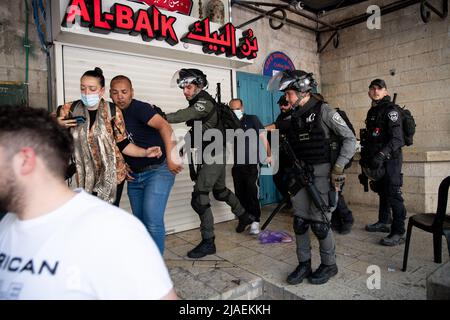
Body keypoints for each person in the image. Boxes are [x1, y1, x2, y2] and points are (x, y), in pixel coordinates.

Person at [0, 106, 177, 300]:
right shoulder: (5, 227)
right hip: (103, 179)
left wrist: (156, 155)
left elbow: (125, 143)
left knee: (151, 219)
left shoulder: (117, 233)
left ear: (25, 160)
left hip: (144, 173)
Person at [268, 70, 356, 285]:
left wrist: (338, 167)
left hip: (323, 175)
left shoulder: (324, 111)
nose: (286, 98)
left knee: (320, 223)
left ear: (302, 91)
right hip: (301, 174)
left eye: (288, 93)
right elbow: (280, 129)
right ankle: (304, 263)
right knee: (299, 221)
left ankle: (329, 265)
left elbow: (350, 139)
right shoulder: (295, 115)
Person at [164, 68, 254, 259]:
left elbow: (183, 115)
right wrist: (184, 147)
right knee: (220, 191)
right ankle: (244, 215)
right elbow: (199, 129)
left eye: (188, 87)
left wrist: (160, 117)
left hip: (214, 154)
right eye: (183, 88)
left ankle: (208, 242)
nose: (185, 91)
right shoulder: (200, 103)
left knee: (200, 196)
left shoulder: (203, 102)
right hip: (214, 152)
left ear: (198, 85)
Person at [56, 67, 161, 206]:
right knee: (89, 213)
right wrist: (55, 126)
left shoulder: (113, 111)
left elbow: (123, 144)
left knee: (107, 215)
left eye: (92, 89)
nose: (87, 93)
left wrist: (145, 152)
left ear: (101, 91)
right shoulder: (69, 109)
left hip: (113, 174)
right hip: (86, 173)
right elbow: (49, 138)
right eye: (83, 88)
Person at [109, 75, 183, 254]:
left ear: (131, 92)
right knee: (140, 222)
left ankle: (157, 270)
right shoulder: (111, 114)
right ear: (110, 94)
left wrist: (172, 157)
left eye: (124, 92)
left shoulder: (139, 108)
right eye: (116, 92)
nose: (120, 96)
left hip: (158, 170)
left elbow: (165, 127)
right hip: (134, 176)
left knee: (152, 220)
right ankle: (146, 261)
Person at [360, 79, 406, 246]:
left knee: (393, 194)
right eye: (372, 88)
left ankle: (399, 231)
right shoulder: (372, 111)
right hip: (377, 159)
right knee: (382, 191)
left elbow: (397, 139)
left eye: (379, 88)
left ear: (386, 91)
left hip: (391, 159)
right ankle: (384, 222)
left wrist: (381, 154)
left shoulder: (391, 110)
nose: (376, 91)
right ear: (369, 92)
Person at [229, 98, 271, 235]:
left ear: (242, 108)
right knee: (240, 194)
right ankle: (244, 219)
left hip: (252, 164)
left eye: (237, 108)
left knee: (252, 191)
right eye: (232, 109)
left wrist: (269, 154)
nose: (235, 111)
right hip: (238, 165)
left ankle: (255, 221)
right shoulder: (230, 122)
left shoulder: (252, 119)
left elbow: (263, 137)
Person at [265, 95, 293, 211]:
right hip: (280, 154)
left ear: (291, 104)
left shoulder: (296, 115)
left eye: (285, 104)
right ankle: (289, 201)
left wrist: (268, 128)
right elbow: (273, 134)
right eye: (280, 104)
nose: (282, 106)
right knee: (277, 178)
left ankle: (297, 205)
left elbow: (284, 126)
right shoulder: (280, 117)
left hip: (293, 156)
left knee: (293, 181)